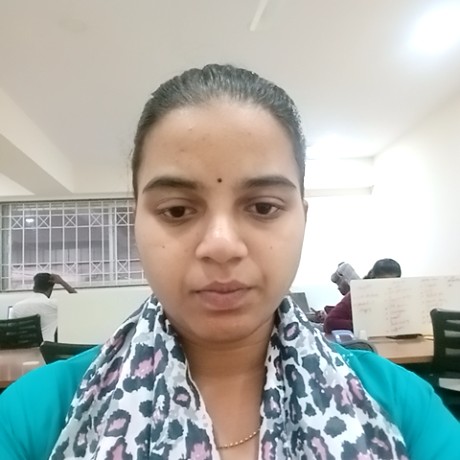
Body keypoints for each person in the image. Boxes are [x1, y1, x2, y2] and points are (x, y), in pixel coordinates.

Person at [0, 65, 458, 459]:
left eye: (263, 207)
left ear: (303, 219)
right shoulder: (33, 414)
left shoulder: (403, 408)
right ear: (136, 222)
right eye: (176, 210)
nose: (221, 246)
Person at [323, 258, 402, 334]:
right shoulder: (357, 294)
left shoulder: (401, 297)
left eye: (393, 282)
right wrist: (361, 326)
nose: (387, 286)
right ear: (373, 278)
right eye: (383, 282)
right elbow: (329, 323)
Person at [11, 273, 77, 342]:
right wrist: (61, 282)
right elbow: (78, 299)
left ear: (34, 288)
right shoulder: (54, 305)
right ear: (50, 289)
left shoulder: (17, 306)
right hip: (46, 347)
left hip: (24, 347)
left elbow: (11, 332)